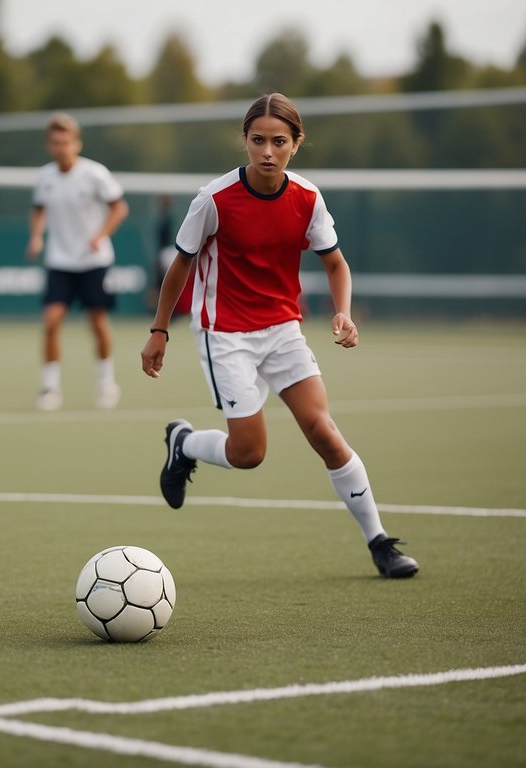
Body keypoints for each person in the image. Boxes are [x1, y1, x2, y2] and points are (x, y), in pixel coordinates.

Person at [141, 92, 418, 580]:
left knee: (325, 433)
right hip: (223, 333)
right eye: (257, 140)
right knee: (249, 453)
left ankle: (379, 543)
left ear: (296, 144)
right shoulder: (214, 199)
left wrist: (343, 313)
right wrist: (159, 330)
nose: (267, 151)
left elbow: (335, 262)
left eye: (279, 142)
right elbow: (181, 263)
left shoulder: (307, 198)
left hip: (282, 330)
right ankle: (184, 444)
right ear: (245, 141)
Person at [27, 113, 129, 411]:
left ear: (76, 143)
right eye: (56, 142)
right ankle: (50, 388)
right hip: (60, 260)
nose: (61, 147)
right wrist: (36, 236)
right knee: (51, 320)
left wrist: (100, 235)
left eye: (66, 142)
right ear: (49, 145)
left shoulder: (95, 174)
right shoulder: (44, 178)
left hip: (94, 260)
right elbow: (38, 211)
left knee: (97, 322)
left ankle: (107, 384)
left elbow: (119, 208)